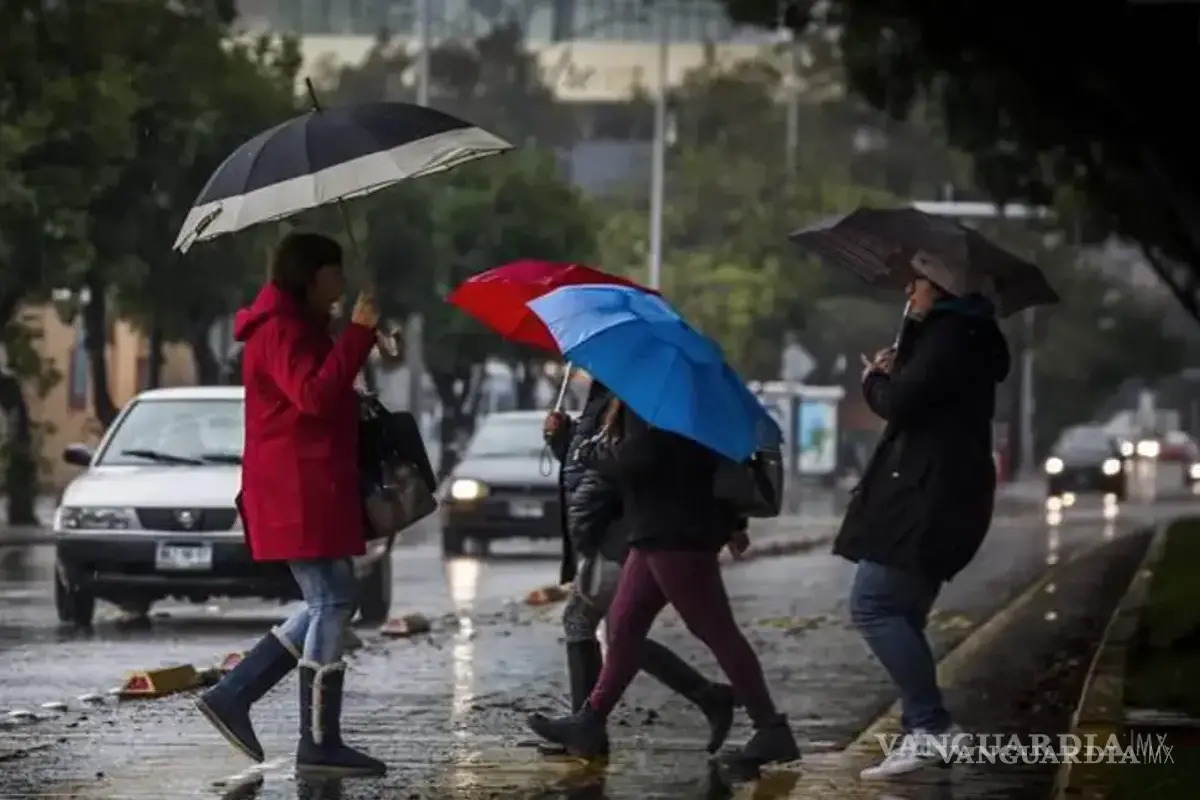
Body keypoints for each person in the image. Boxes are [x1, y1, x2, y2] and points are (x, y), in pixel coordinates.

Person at [195, 231, 386, 777]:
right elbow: (313, 396)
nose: (342, 283)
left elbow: (326, 389)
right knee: (332, 599)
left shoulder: (298, 328)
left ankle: (237, 693)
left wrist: (363, 342)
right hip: (295, 488)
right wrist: (357, 333)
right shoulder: (279, 330)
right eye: (335, 272)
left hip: (310, 484)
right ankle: (317, 740)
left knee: (332, 595)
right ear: (311, 275)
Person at [527, 397, 800, 767]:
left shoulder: (663, 402)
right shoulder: (652, 398)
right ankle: (589, 721)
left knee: (717, 631)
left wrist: (590, 453)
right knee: (624, 628)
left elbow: (642, 458)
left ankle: (770, 728)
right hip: (652, 528)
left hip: (679, 531)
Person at [839, 263, 1010, 779]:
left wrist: (875, 379)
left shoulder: (951, 336)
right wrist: (909, 345)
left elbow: (903, 404)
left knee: (873, 604)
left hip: (927, 497)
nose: (907, 291)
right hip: (942, 494)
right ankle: (923, 731)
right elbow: (922, 396)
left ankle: (931, 727)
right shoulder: (962, 335)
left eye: (915, 282)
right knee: (902, 613)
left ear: (938, 284)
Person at [537, 379, 736, 757]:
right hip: (613, 529)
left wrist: (584, 453)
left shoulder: (630, 396)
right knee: (619, 632)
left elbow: (621, 464)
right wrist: (562, 440)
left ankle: (589, 728)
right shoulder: (603, 395)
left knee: (589, 622)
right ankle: (706, 698)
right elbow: (586, 465)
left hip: (623, 528)